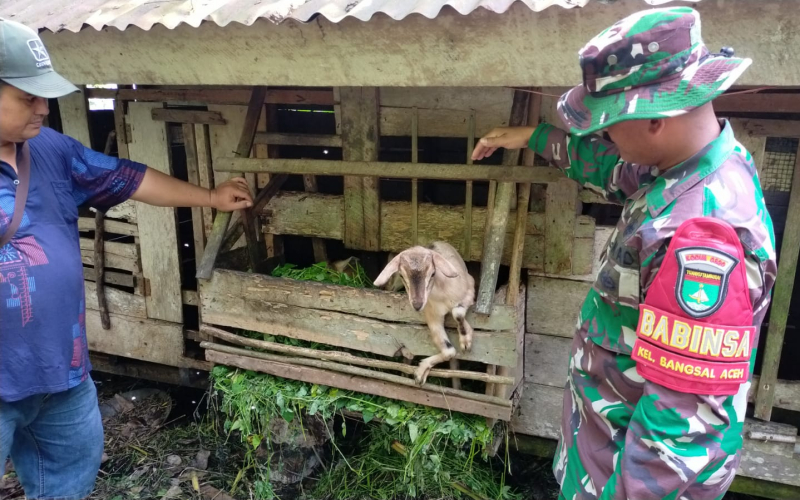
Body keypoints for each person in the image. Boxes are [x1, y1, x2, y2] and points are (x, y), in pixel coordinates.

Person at [472, 7, 776, 500]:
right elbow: (619, 171)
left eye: (608, 124)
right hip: (603, 453)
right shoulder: (691, 165)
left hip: (628, 478)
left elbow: (679, 432)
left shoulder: (700, 236)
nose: (602, 134)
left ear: (655, 118)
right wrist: (535, 138)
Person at [0, 18, 253, 500]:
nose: (43, 108)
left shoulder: (51, 150)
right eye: (26, 97)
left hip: (62, 376)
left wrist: (209, 197)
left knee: (69, 483)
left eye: (44, 95)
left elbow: (128, 178)